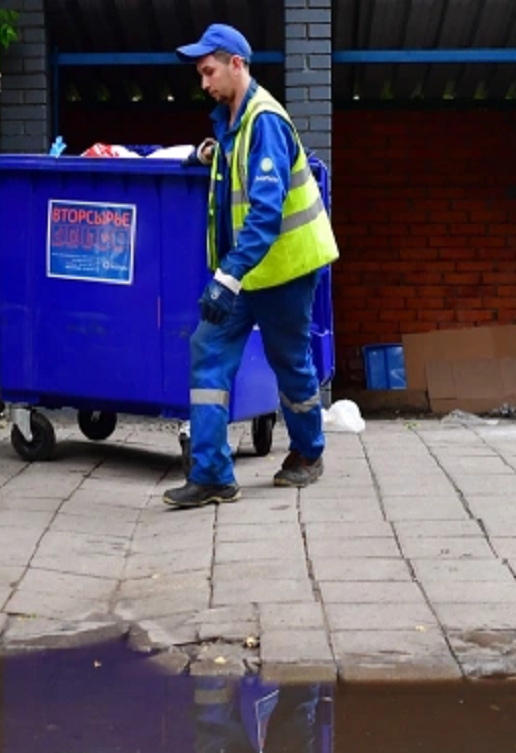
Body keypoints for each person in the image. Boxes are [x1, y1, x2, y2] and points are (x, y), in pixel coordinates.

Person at [164, 23, 339, 509]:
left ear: (236, 64)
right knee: (207, 347)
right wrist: (209, 153)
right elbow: (235, 170)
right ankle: (212, 474)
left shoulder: (265, 121)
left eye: (209, 71)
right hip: (244, 274)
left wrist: (227, 275)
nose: (204, 83)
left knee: (289, 363)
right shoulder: (234, 121)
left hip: (283, 270)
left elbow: (264, 211)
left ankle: (307, 452)